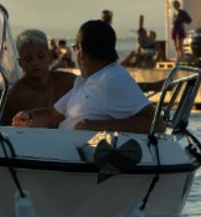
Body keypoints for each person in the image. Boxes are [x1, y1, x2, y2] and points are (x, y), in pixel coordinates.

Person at [11, 19, 157, 133]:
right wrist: (29, 118)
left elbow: (155, 123)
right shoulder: (85, 81)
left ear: (81, 51)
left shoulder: (112, 79)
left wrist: (96, 126)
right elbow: (52, 115)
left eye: (76, 48)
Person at [2, 29, 76, 125]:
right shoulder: (16, 94)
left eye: (40, 57)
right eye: (28, 59)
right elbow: (6, 131)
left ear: (49, 57)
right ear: (21, 63)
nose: (35, 62)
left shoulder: (70, 82)